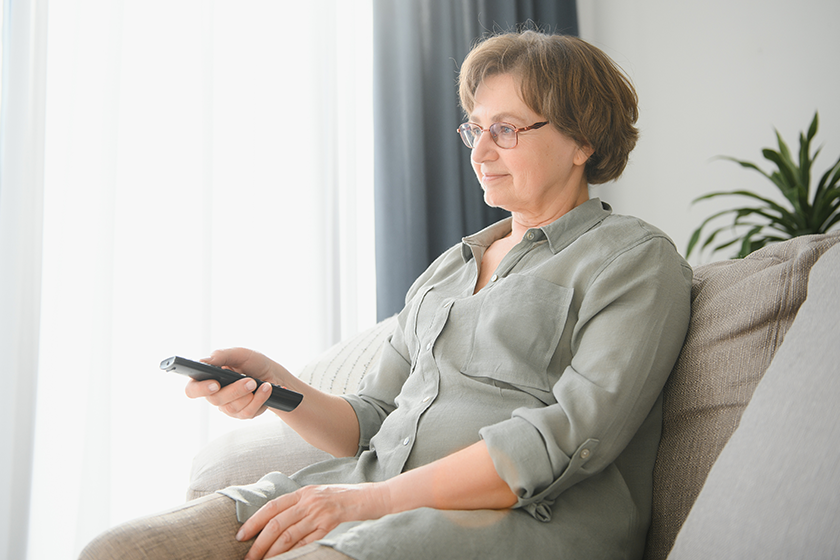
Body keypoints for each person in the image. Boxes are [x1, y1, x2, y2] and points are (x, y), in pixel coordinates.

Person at [80, 30, 692, 560]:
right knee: (117, 551)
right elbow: (372, 419)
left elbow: (566, 437)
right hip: (370, 487)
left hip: (520, 522)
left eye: (504, 130)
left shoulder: (632, 260)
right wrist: (279, 389)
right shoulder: (446, 273)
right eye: (474, 129)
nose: (479, 152)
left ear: (583, 140)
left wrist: (363, 503)